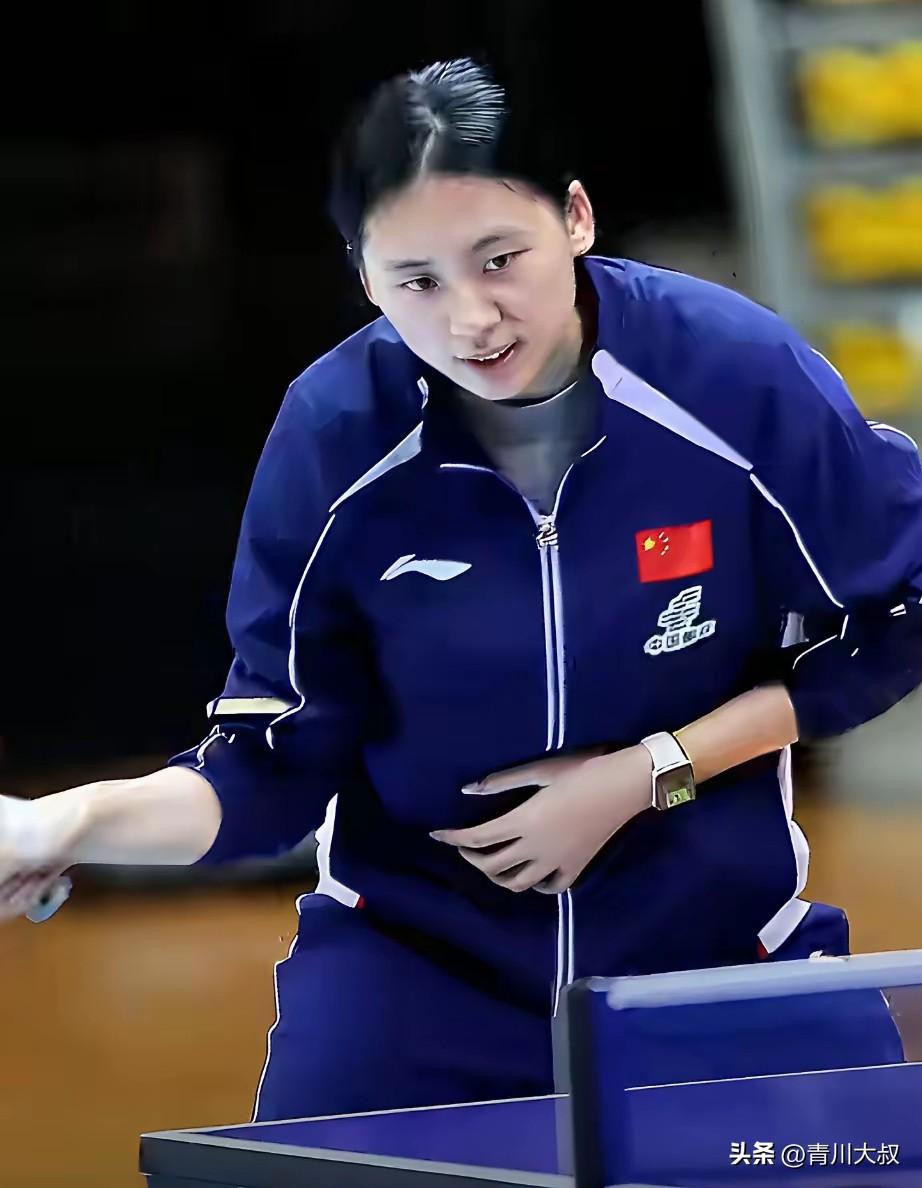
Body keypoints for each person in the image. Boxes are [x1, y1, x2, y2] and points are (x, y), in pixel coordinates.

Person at [3, 57, 922, 1121]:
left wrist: (651, 772)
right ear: (363, 278)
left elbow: (903, 608)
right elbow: (270, 765)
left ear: (575, 218)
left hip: (714, 952)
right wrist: (60, 824)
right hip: (413, 972)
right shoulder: (334, 436)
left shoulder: (732, 374)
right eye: (417, 282)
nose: (471, 319)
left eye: (500, 260)